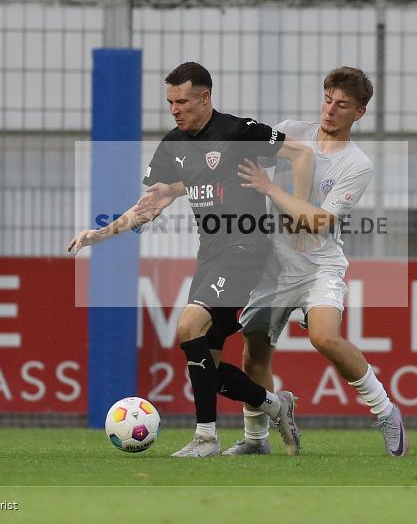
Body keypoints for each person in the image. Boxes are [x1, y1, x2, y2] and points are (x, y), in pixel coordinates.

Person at [68, 62, 313, 457]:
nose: (175, 109)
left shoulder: (237, 132)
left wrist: (301, 213)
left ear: (205, 97)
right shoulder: (173, 145)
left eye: (182, 101)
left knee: (188, 323)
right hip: (211, 255)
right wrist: (99, 234)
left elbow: (301, 154)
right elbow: (152, 204)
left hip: (245, 249)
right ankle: (275, 405)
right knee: (208, 368)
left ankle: (205, 438)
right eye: (169, 102)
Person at [225, 66, 409, 457]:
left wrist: (271, 188)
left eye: (342, 104)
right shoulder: (293, 130)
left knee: (324, 336)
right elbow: (244, 161)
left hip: (318, 264)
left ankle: (385, 410)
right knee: (254, 352)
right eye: (327, 99)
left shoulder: (356, 165)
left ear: (359, 112)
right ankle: (256, 439)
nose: (330, 109)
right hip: (273, 265)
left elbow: (319, 220)